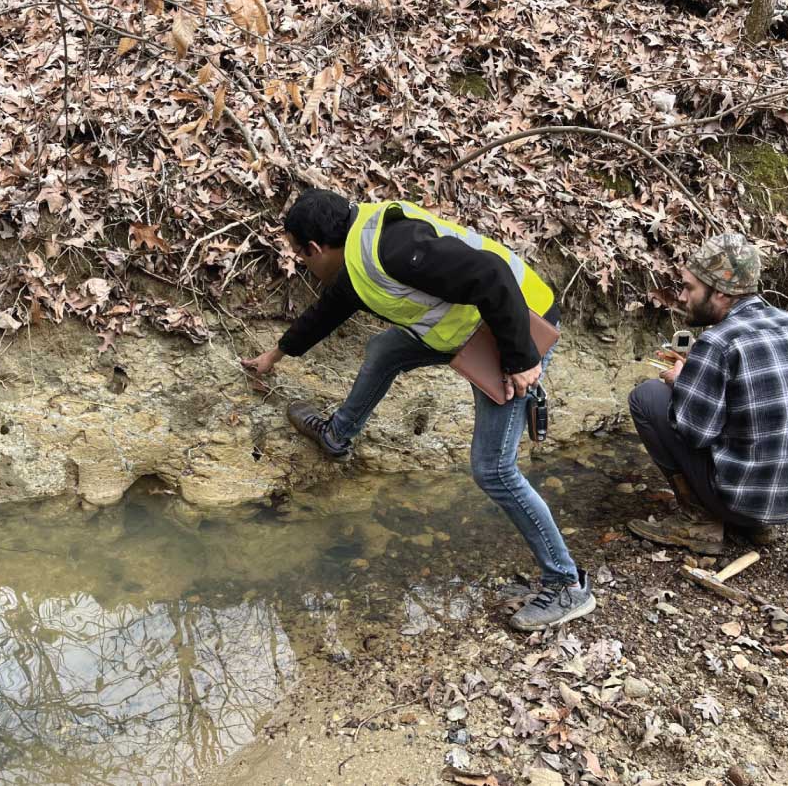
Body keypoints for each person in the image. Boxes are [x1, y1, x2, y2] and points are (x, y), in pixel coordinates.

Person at [242, 189, 595, 631]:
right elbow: (331, 309)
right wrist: (277, 354)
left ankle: (567, 584)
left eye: (301, 256)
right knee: (387, 347)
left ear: (315, 249)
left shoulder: (394, 247)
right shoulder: (359, 250)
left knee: (494, 470)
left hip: (518, 327)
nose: (304, 265)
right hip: (472, 328)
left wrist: (522, 358)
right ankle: (338, 434)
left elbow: (491, 273)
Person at [626, 233, 788, 554]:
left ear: (720, 293)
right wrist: (701, 378)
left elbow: (695, 434)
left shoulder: (718, 342)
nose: (682, 297)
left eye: (689, 287)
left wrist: (682, 382)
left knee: (647, 396)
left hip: (748, 501)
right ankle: (757, 527)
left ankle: (698, 521)